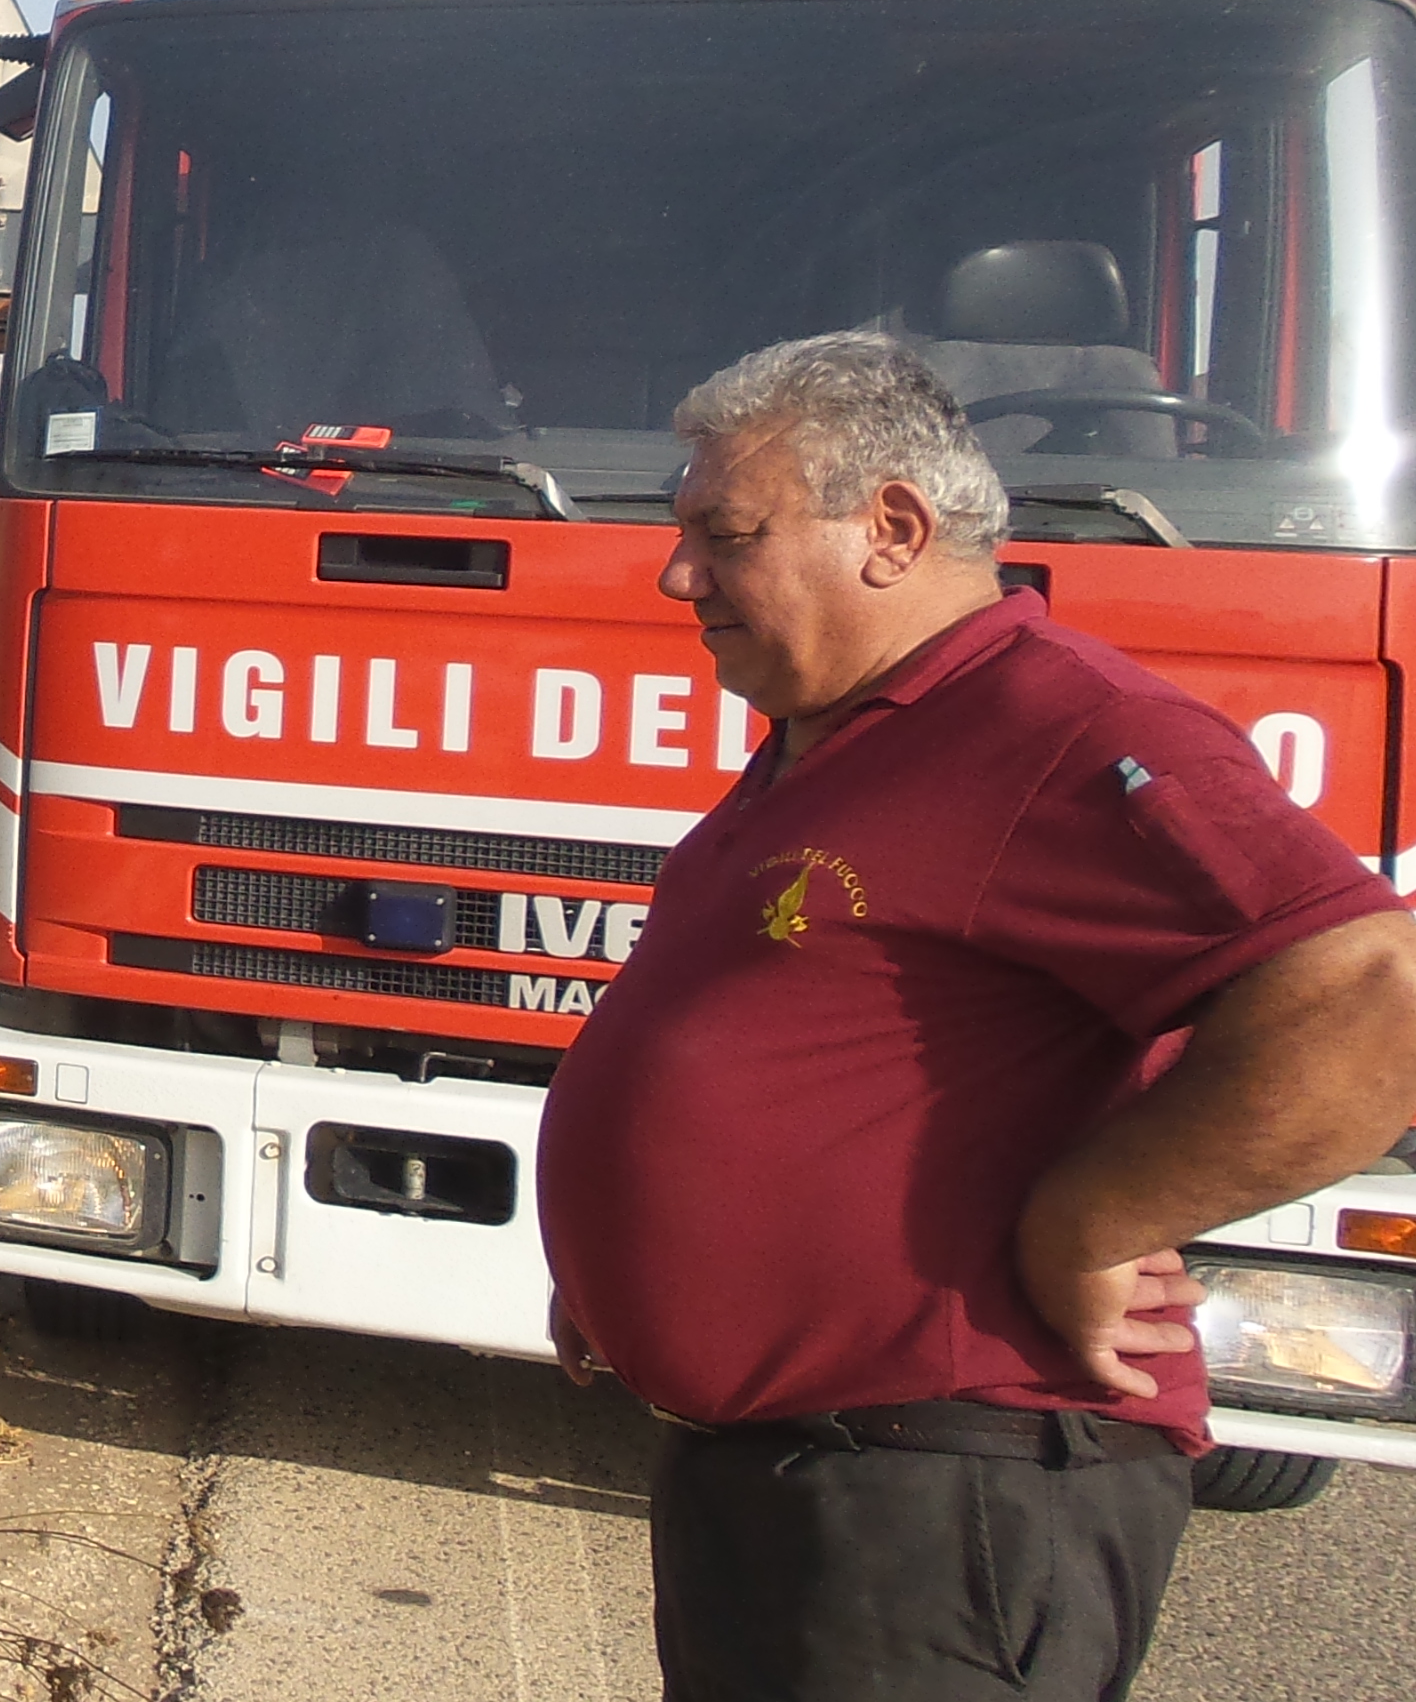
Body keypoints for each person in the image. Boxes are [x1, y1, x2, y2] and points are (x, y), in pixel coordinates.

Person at [537, 329, 1416, 1702]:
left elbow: (1371, 995)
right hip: (796, 1473)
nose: (676, 574)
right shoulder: (840, 736)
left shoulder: (1060, 726)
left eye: (723, 532)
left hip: (948, 1495)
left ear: (891, 528)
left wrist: (1098, 1217)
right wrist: (616, 1259)